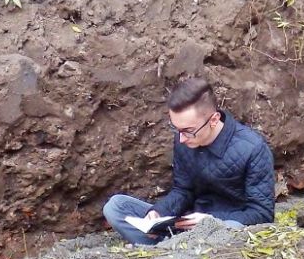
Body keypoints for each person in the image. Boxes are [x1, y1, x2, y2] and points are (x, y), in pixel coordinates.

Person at [103, 78, 275, 245]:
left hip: (230, 226)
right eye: (176, 129)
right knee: (116, 207)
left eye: (188, 131)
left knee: (228, 229)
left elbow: (262, 213)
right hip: (188, 222)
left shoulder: (253, 148)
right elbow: (183, 190)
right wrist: (158, 212)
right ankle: (172, 244)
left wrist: (212, 222)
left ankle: (172, 247)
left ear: (213, 120)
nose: (182, 138)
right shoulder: (183, 139)